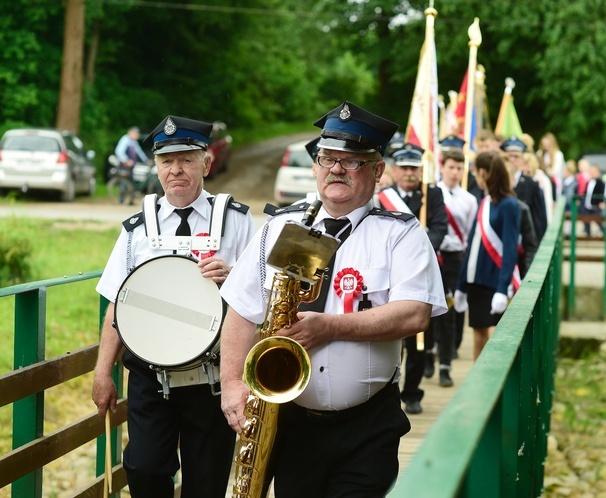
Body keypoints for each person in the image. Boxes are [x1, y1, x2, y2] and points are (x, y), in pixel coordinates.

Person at [219, 101, 447, 498]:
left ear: (377, 171)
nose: (336, 169)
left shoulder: (401, 233)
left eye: (352, 160)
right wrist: (231, 385)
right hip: (290, 421)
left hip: (368, 424)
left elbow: (415, 314)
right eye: (327, 158)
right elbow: (240, 309)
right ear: (315, 166)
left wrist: (329, 327)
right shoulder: (281, 227)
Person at [91, 115, 256, 497]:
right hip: (151, 378)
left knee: (207, 484)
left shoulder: (237, 222)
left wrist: (232, 278)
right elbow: (118, 302)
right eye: (167, 161)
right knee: (144, 469)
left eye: (186, 159)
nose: (176, 169)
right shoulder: (136, 229)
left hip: (213, 380)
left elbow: (260, 298)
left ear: (207, 163)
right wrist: (103, 373)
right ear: (156, 166)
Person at [376, 142, 448, 414]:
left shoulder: (432, 195)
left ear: (421, 171)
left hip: (421, 271)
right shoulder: (383, 197)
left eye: (413, 168)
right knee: (390, 334)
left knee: (419, 338)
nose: (408, 173)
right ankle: (388, 389)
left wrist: (417, 251)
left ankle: (413, 393)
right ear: (394, 170)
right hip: (389, 275)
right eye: (404, 167)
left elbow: (440, 228)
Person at [453, 152, 520, 360]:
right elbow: (472, 243)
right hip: (476, 279)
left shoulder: (509, 204)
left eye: (475, 172)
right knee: (479, 336)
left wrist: (502, 289)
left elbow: (510, 249)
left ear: (483, 173)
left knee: (495, 338)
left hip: (494, 279)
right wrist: (462, 284)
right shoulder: (485, 201)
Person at [430, 147, 477, 385]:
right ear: (442, 167)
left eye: (460, 168)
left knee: (453, 305)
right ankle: (429, 351)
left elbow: (468, 231)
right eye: (451, 167)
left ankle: (447, 358)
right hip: (434, 255)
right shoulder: (431, 194)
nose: (455, 172)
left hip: (455, 255)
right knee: (429, 306)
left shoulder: (469, 199)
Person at [502, 136, 547, 237]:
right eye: (509, 156)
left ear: (523, 158)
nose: (512, 160)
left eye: (516, 156)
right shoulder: (498, 182)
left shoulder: (531, 184)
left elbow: (538, 218)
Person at [538, 132, 565, 200]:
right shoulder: (540, 153)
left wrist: (545, 168)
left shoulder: (558, 154)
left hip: (554, 183)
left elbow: (555, 172)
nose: (545, 147)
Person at [579, 164, 605, 236]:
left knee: (598, 220)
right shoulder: (588, 182)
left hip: (595, 205)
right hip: (587, 205)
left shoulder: (600, 182)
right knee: (586, 220)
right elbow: (585, 193)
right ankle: (588, 234)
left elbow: (601, 193)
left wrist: (601, 202)